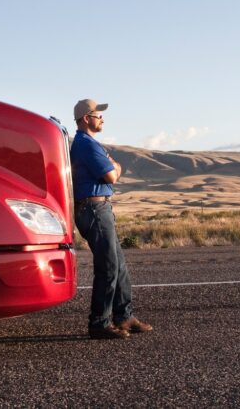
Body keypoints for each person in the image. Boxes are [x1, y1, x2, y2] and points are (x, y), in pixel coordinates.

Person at [70, 99, 153, 340]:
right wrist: (115, 166)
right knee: (108, 266)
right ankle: (99, 322)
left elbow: (112, 171)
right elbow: (111, 175)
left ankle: (124, 316)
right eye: (98, 115)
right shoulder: (87, 145)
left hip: (99, 209)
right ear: (86, 118)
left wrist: (113, 166)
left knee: (119, 265)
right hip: (94, 209)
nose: (102, 119)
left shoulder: (88, 144)